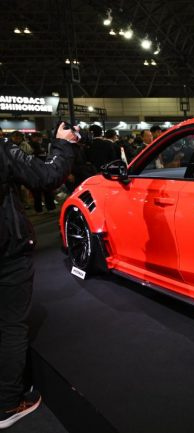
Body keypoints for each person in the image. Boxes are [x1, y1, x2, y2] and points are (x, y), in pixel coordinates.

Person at [0, 123, 79, 430]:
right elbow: (46, 176)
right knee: (11, 324)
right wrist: (63, 143)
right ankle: (7, 404)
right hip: (6, 253)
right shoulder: (2, 150)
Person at [27, 133, 56, 213]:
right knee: (37, 191)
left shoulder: (46, 143)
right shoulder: (29, 145)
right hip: (35, 170)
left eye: (38, 138)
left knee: (47, 190)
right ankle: (40, 209)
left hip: (44, 168)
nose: (37, 139)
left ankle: (49, 208)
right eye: (35, 138)